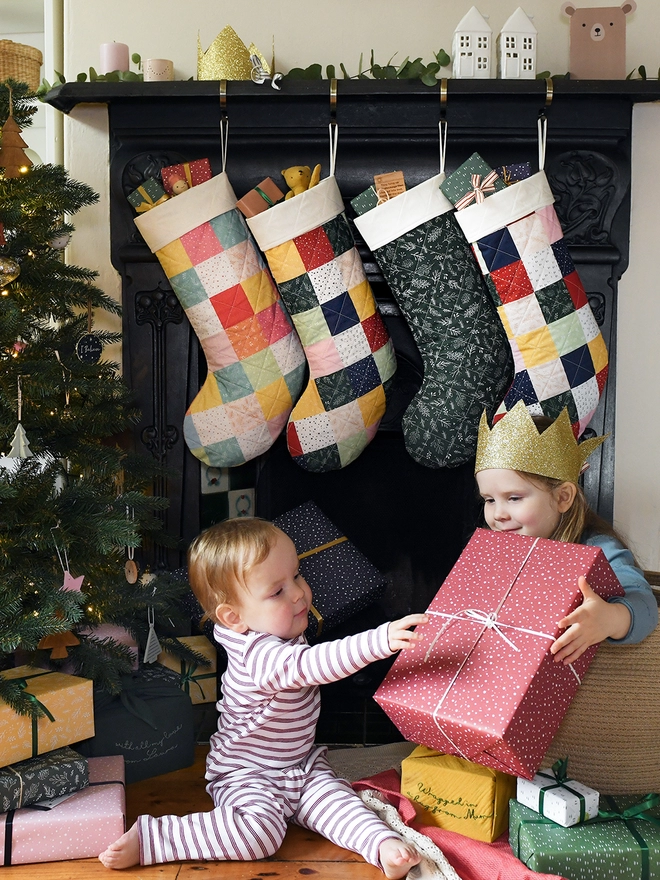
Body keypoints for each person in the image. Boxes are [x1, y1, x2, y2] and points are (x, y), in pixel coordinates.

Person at [99, 517, 428, 877]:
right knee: (260, 836)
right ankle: (155, 839)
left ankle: (382, 846)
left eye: (297, 576)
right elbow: (313, 664)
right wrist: (377, 641)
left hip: (300, 766)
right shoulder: (258, 656)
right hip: (247, 774)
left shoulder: (278, 629)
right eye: (277, 591)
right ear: (233, 616)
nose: (299, 593)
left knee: (340, 802)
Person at [474, 400, 657, 665]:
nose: (498, 514)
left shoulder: (597, 548)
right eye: (489, 500)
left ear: (563, 497)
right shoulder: (496, 550)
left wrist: (611, 619)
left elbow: (647, 607)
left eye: (514, 498)